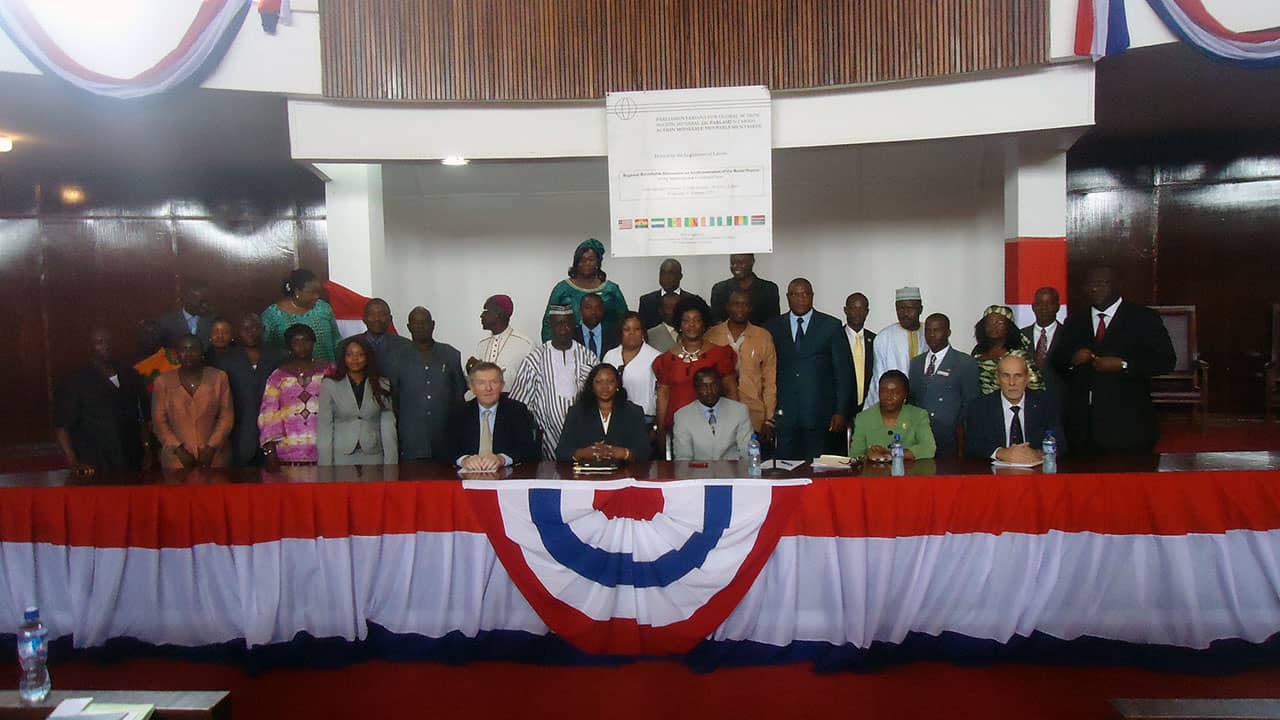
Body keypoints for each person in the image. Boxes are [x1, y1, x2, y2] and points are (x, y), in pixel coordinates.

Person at [1052, 266, 1176, 454]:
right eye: (1091, 284)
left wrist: (1124, 364)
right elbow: (1057, 362)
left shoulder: (1143, 317)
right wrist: (1072, 359)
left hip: (1128, 426)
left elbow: (1166, 360)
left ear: (1117, 285)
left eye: (1102, 283)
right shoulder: (1075, 320)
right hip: (1083, 429)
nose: (1095, 288)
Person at [766, 278, 853, 459]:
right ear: (787, 297)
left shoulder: (830, 326)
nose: (801, 299)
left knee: (817, 471)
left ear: (812, 297)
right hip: (785, 414)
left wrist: (841, 411)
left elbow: (843, 373)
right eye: (795, 294)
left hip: (820, 414)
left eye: (805, 294)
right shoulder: (772, 327)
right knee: (785, 470)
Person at [54, 327, 150, 476]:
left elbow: (142, 417)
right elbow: (62, 426)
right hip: (96, 462)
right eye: (99, 342)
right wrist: (73, 461)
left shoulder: (130, 374)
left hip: (132, 458)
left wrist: (147, 449)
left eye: (109, 341)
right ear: (89, 346)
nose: (106, 346)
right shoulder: (76, 380)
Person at [511, 305, 596, 458]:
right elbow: (519, 404)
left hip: (585, 439)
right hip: (547, 441)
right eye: (558, 324)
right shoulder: (535, 359)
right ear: (551, 326)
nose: (563, 329)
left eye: (567, 323)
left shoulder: (588, 356)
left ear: (574, 325)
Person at [388, 306, 466, 462]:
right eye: (415, 323)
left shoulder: (451, 354)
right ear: (409, 327)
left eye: (425, 322)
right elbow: (393, 397)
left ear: (433, 325)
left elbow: (459, 395)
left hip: (446, 435)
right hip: (411, 438)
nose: (420, 326)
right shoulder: (396, 357)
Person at [654, 299, 738, 434]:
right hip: (677, 428)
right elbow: (663, 397)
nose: (691, 325)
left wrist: (735, 424)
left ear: (704, 324)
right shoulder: (666, 360)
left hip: (714, 426)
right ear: (679, 325)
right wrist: (661, 430)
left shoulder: (720, 354)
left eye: (696, 320)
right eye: (686, 320)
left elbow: (731, 391)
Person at [151, 334, 234, 470]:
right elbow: (159, 422)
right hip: (176, 461)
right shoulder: (162, 382)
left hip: (215, 458)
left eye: (193, 348)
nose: (188, 353)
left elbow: (226, 417)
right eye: (183, 349)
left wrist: (211, 448)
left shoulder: (219, 377)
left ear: (202, 352)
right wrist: (178, 450)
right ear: (177, 354)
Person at [258, 323, 336, 468]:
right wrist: (270, 451)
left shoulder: (329, 370)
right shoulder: (278, 376)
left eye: (306, 340)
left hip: (325, 449)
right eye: (296, 342)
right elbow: (269, 415)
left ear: (313, 343)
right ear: (289, 346)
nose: (302, 346)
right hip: (287, 452)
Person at [965, 354, 1066, 462]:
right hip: (995, 473)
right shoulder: (980, 406)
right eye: (1005, 376)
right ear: (998, 379)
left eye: (1018, 376)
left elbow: (1060, 444)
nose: (1012, 383)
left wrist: (1039, 454)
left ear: (1027, 378)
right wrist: (1001, 453)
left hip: (1036, 472)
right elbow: (972, 444)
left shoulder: (1045, 403)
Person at [317, 336, 398, 465]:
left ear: (368, 357)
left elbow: (388, 427)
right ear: (343, 358)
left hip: (373, 455)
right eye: (350, 355)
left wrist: (391, 464)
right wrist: (325, 466)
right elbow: (324, 427)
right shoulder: (330, 384)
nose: (355, 359)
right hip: (341, 456)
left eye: (360, 354)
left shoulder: (382, 384)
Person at [908, 313, 980, 458]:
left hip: (950, 438)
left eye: (937, 330)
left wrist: (959, 433)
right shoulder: (916, 362)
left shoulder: (964, 362)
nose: (932, 335)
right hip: (919, 438)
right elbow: (912, 400)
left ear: (948, 332)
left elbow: (970, 403)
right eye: (928, 330)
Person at [705, 289, 776, 434]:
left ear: (751, 308)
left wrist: (769, 419)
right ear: (727, 307)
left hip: (753, 415)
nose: (740, 309)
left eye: (745, 305)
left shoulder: (763, 337)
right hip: (718, 415)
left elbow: (769, 381)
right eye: (736, 304)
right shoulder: (711, 336)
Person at [446, 361, 539, 470]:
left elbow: (528, 449)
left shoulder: (517, 410)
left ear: (502, 385)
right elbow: (446, 449)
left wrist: (502, 459)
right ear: (471, 387)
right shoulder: (459, 413)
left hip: (506, 478)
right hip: (467, 478)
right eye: (481, 383)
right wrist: (464, 460)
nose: (488, 388)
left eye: (494, 382)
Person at [219, 312, 284, 466]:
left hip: (275, 441)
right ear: (238, 332)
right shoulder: (226, 360)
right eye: (245, 329)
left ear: (263, 329)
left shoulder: (279, 357)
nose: (250, 332)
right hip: (239, 439)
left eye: (255, 328)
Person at [555, 363, 651, 464]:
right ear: (592, 386)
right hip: (586, 476)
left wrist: (624, 453)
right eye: (599, 382)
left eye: (610, 381)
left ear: (617, 385)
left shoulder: (634, 412)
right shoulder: (576, 412)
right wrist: (583, 453)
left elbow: (644, 452)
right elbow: (561, 452)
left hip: (623, 475)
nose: (605, 386)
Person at [541, 238, 627, 342]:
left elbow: (625, 320)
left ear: (598, 262)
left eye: (590, 259)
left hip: (607, 346)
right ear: (576, 263)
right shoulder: (562, 289)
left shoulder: (611, 289)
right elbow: (549, 322)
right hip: (570, 347)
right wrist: (551, 351)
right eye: (581, 260)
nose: (586, 263)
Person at [850, 370, 936, 462]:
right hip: (874, 474)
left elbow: (929, 448)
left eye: (895, 392)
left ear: (905, 394)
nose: (889, 397)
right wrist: (868, 456)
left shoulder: (918, 415)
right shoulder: (863, 418)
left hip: (909, 473)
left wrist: (891, 454)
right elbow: (855, 455)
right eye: (884, 391)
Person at [672, 367, 753, 461]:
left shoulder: (739, 411)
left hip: (732, 473)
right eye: (703, 386)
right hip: (698, 473)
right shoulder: (682, 416)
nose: (709, 391)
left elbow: (747, 453)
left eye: (713, 385)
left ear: (720, 385)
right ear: (695, 388)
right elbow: (683, 459)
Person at [261, 268, 341, 363]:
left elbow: (336, 340)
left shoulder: (323, 308)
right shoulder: (272, 315)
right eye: (312, 292)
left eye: (318, 292)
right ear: (297, 291)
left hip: (328, 372)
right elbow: (265, 349)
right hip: (290, 374)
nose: (317, 296)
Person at [866, 286, 924, 407]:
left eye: (910, 308)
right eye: (900, 309)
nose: (905, 313)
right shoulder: (884, 337)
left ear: (920, 309)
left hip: (924, 403)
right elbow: (878, 379)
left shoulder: (929, 333)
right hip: (894, 403)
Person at [971, 304, 1044, 396]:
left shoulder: (1019, 354)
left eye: (999, 323)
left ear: (1009, 326)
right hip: (982, 406)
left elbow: (1036, 387)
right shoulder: (978, 351)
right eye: (989, 323)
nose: (993, 326)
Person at [602, 312, 661, 422]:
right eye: (627, 329)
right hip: (613, 418)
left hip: (645, 419)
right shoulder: (610, 355)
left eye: (636, 329)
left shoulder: (656, 358)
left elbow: (662, 396)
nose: (632, 333)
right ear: (620, 332)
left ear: (643, 332)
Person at [470, 294, 535, 379]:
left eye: (486, 311)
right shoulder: (481, 345)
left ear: (497, 313)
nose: (481, 315)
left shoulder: (526, 345)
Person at [709, 253, 781, 326]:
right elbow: (716, 319)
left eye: (740, 263)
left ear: (752, 262)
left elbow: (774, 321)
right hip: (726, 336)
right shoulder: (720, 289)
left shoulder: (769, 289)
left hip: (761, 335)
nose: (736, 266)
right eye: (733, 263)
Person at [637, 259, 708, 330]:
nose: (666, 277)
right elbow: (643, 330)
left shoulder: (693, 300)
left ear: (680, 276)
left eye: (671, 273)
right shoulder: (646, 301)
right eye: (663, 273)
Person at [1022, 286, 1065, 397]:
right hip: (1027, 401)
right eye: (1039, 304)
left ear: (1057, 307)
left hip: (1060, 402)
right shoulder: (1020, 336)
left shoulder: (1069, 335)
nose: (1043, 308)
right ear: (1033, 307)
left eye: (1049, 304)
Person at [349, 298, 411, 373]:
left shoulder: (406, 346)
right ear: (364, 319)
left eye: (382, 314)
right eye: (372, 314)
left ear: (390, 319)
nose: (377, 319)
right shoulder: (348, 345)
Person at [843, 292, 876, 416]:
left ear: (867, 312)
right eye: (853, 308)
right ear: (846, 310)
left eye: (862, 309)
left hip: (869, 408)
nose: (858, 313)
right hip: (840, 411)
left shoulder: (875, 340)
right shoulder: (835, 338)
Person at [157, 284, 213, 349]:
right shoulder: (166, 322)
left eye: (206, 302)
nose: (205, 306)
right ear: (187, 298)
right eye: (201, 302)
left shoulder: (212, 321)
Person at [133, 319, 179, 396]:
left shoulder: (172, 354)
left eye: (154, 332)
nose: (150, 336)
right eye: (146, 333)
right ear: (139, 336)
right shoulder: (137, 363)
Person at [576, 293, 619, 359]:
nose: (593, 312)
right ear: (580, 311)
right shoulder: (573, 336)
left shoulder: (614, 334)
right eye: (588, 307)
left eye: (597, 308)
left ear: (603, 310)